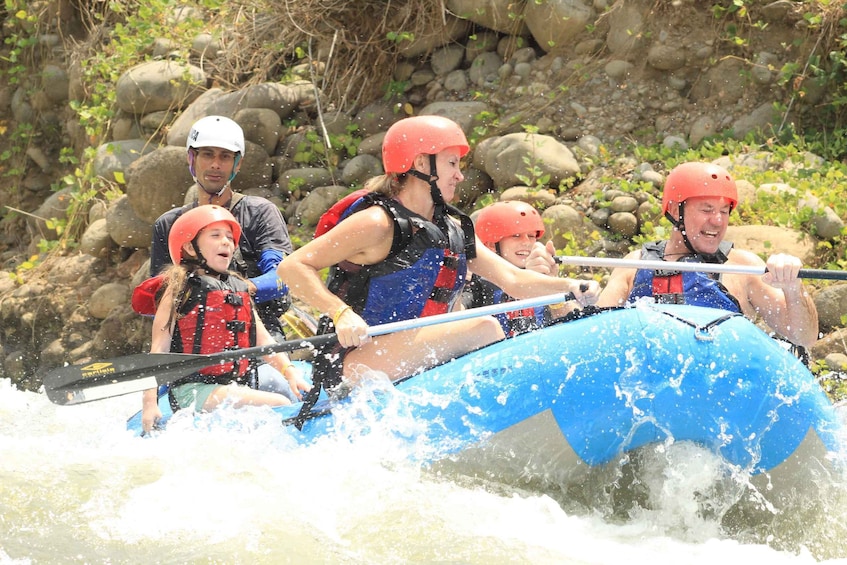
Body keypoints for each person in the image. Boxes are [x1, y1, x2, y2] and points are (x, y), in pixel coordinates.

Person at [277, 115, 599, 385]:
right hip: (353, 361)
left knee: (482, 326)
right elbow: (292, 267)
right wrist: (341, 313)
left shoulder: (452, 230)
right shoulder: (377, 223)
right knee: (483, 326)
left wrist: (569, 286)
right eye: (451, 163)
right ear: (420, 163)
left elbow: (514, 280)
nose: (460, 174)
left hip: (416, 354)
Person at [596, 161, 819, 348]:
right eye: (707, 210)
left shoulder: (743, 268)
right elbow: (597, 331)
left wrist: (793, 287)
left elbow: (804, 338)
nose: (718, 221)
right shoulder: (634, 265)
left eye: (724, 211)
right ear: (675, 211)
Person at [141, 205, 311, 433]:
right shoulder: (179, 289)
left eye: (230, 238)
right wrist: (150, 403)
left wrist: (289, 371)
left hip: (236, 382)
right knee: (280, 404)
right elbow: (159, 349)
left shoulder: (238, 288)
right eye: (215, 236)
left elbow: (263, 340)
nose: (226, 243)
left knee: (288, 394)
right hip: (192, 389)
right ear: (190, 248)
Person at [148, 115, 293, 340]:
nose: (216, 164)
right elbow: (158, 296)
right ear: (191, 158)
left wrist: (237, 290)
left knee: (272, 377)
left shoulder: (259, 213)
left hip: (257, 329)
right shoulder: (168, 225)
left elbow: (282, 277)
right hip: (191, 337)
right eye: (207, 154)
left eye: (225, 157)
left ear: (238, 163)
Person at [462, 200, 579, 336]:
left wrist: (551, 282)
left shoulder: (543, 277)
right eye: (516, 236)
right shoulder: (476, 285)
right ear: (492, 245)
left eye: (531, 236)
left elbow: (576, 327)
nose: (526, 242)